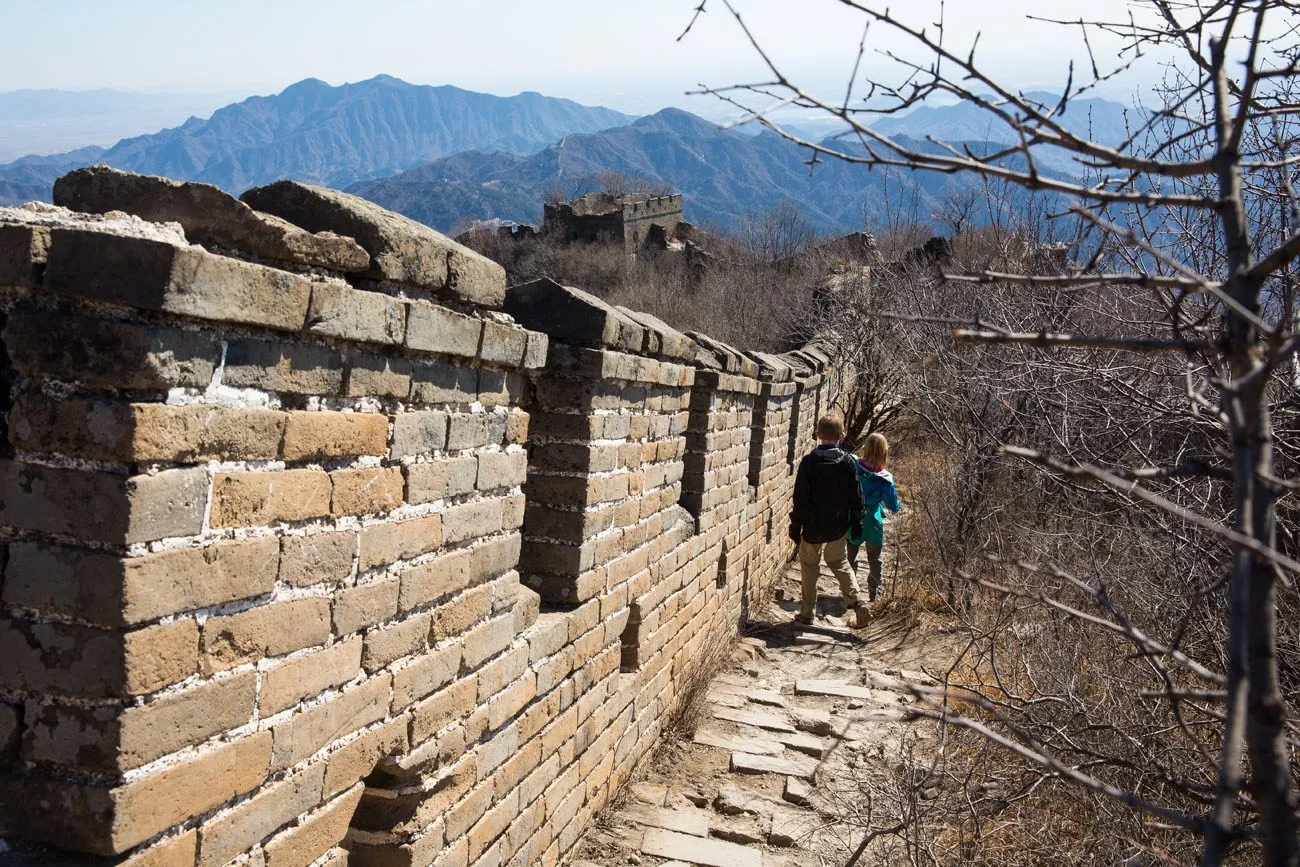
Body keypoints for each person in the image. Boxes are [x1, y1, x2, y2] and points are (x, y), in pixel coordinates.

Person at [790, 413, 869, 628]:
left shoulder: (809, 462)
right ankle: (857, 602)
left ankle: (807, 613)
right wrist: (857, 522)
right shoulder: (848, 463)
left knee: (809, 565)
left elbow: (801, 498)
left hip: (813, 525)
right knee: (839, 562)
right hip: (838, 524)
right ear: (841, 436)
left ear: (817, 435)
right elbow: (857, 496)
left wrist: (795, 525)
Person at [848, 433, 901, 602]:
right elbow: (893, 506)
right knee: (875, 558)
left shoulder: (853, 466)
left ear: (866, 448)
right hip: (874, 520)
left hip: (853, 516)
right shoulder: (885, 478)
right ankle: (874, 592)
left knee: (850, 554)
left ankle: (850, 591)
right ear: (884, 452)